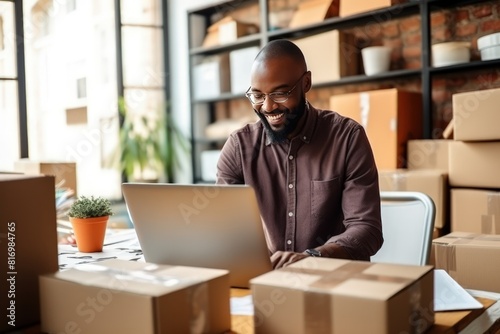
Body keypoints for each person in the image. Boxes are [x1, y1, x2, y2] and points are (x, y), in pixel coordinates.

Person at [216, 39, 383, 269]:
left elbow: (367, 229)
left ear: (306, 83)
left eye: (280, 93)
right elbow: (224, 228)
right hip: (267, 280)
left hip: (333, 281)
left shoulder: (347, 138)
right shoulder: (238, 148)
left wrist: (314, 257)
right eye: (258, 95)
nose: (268, 107)